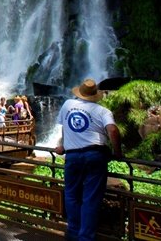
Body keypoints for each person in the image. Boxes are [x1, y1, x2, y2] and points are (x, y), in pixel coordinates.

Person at [55, 79, 122, 241]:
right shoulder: (103, 111)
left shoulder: (67, 105)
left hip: (72, 156)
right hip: (94, 155)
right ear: (95, 95)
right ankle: (85, 237)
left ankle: (73, 233)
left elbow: (65, 125)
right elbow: (112, 130)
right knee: (91, 198)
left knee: (71, 195)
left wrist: (63, 145)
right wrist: (117, 152)